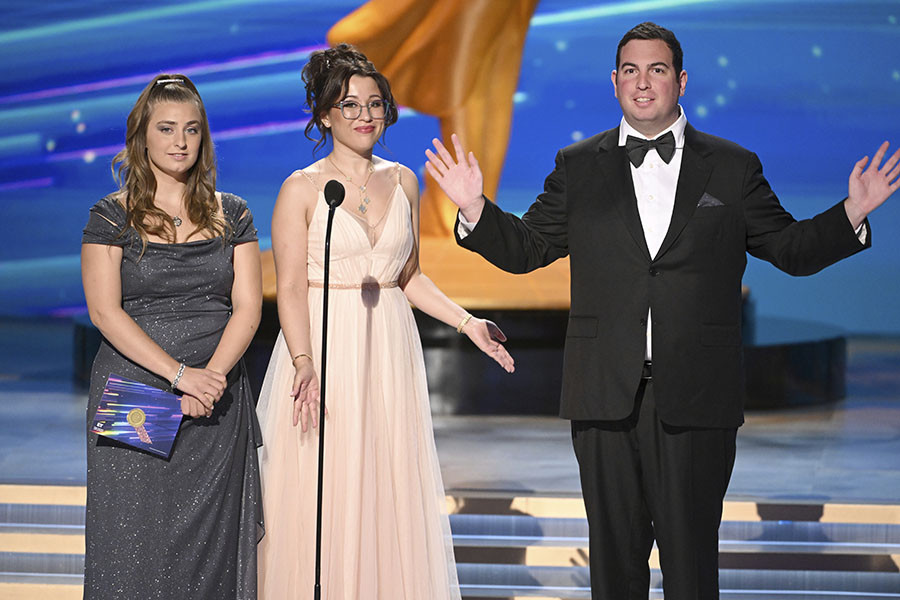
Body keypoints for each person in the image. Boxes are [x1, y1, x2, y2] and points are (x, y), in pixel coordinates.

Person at [426, 22, 899, 600]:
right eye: (630, 70)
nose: (642, 82)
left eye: (656, 70)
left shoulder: (731, 166)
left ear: (680, 81)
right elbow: (529, 249)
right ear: (614, 81)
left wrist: (851, 211)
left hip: (698, 394)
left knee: (691, 564)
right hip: (604, 395)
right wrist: (475, 207)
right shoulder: (578, 165)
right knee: (615, 566)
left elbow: (790, 250)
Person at [255, 44, 514, 599]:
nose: (365, 115)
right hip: (324, 349)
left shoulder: (403, 182)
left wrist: (468, 323)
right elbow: (292, 289)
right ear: (324, 114)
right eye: (348, 105)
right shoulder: (300, 189)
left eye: (374, 104)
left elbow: (408, 276)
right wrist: (303, 361)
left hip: (388, 350)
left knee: (383, 484)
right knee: (323, 488)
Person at [81, 74, 263, 599]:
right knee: (131, 538)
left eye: (191, 130)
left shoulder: (234, 214)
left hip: (214, 399)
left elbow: (247, 308)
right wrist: (180, 377)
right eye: (166, 129)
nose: (180, 142)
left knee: (207, 546)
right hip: (133, 393)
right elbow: (104, 311)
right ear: (142, 136)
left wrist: (209, 382)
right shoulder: (111, 215)